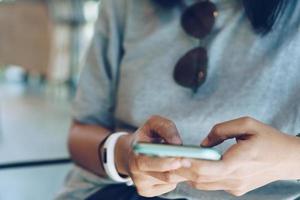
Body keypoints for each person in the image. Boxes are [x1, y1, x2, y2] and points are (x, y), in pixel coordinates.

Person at [55, 0, 300, 199]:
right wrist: (125, 156)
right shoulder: (126, 6)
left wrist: (286, 159)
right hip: (119, 192)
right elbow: (80, 134)